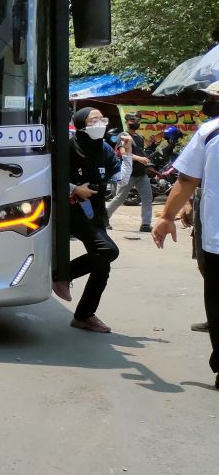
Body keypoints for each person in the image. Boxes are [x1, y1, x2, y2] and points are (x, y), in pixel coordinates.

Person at [150, 80, 219, 388]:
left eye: (212, 99)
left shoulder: (209, 133)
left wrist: (165, 216)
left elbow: (188, 180)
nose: (207, 104)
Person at [51, 108, 122, 333]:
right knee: (109, 251)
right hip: (72, 211)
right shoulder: (69, 146)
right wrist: (75, 188)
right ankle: (62, 274)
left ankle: (84, 316)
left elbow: (119, 177)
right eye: (94, 119)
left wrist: (128, 154)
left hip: (96, 212)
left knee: (103, 265)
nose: (100, 123)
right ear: (82, 124)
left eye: (102, 119)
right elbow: (49, 176)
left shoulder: (104, 148)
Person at [106, 112, 154, 232]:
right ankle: (103, 219)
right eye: (133, 120)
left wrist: (150, 145)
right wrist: (139, 159)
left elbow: (139, 151)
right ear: (127, 122)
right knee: (120, 198)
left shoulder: (139, 137)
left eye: (137, 120)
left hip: (141, 173)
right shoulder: (123, 136)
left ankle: (146, 224)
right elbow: (123, 153)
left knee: (148, 197)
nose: (136, 122)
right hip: (129, 173)